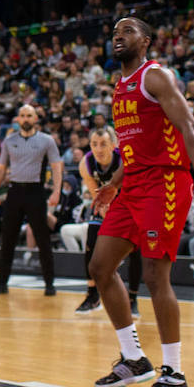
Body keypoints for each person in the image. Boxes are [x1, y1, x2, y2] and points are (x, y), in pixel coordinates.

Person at [90, 17, 194, 387]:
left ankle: (175, 373)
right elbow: (133, 149)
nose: (118, 37)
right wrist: (114, 183)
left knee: (154, 275)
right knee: (100, 267)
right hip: (132, 184)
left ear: (145, 41)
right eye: (114, 32)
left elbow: (190, 128)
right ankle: (134, 360)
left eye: (127, 32)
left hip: (165, 182)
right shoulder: (119, 86)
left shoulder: (156, 77)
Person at [0, 105, 64, 295]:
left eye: (29, 115)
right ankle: (2, 283)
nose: (26, 118)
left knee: (42, 239)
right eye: (22, 115)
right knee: (8, 239)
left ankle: (49, 284)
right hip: (14, 191)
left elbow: (56, 166)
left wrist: (56, 191)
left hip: (36, 192)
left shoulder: (46, 140)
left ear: (36, 118)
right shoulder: (9, 140)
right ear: (18, 119)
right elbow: (2, 168)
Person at [72, 127, 142, 318]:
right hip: (106, 204)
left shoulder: (124, 160)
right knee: (91, 239)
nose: (98, 148)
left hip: (130, 203)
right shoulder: (85, 164)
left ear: (114, 145)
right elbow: (96, 195)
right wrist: (106, 211)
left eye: (103, 144)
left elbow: (133, 191)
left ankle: (132, 299)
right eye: (94, 144)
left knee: (135, 248)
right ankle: (93, 296)